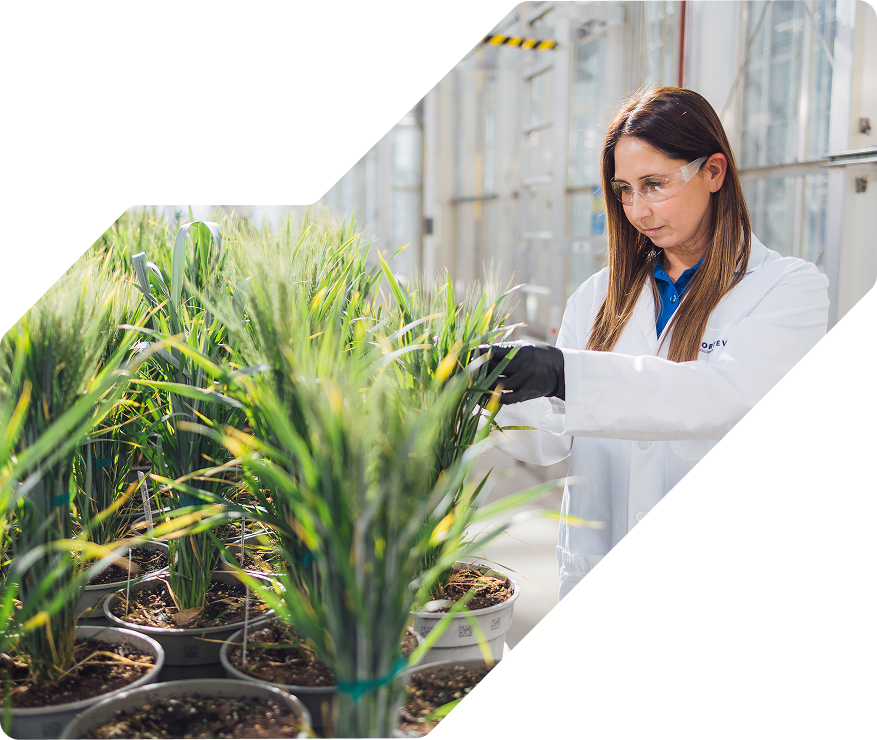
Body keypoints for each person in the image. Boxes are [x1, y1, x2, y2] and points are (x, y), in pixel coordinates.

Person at [479, 86, 830, 600]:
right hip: (599, 568)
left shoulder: (789, 289)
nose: (636, 209)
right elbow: (551, 441)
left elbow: (720, 397)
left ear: (713, 172)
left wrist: (562, 373)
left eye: (654, 184)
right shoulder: (599, 295)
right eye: (624, 189)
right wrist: (494, 397)